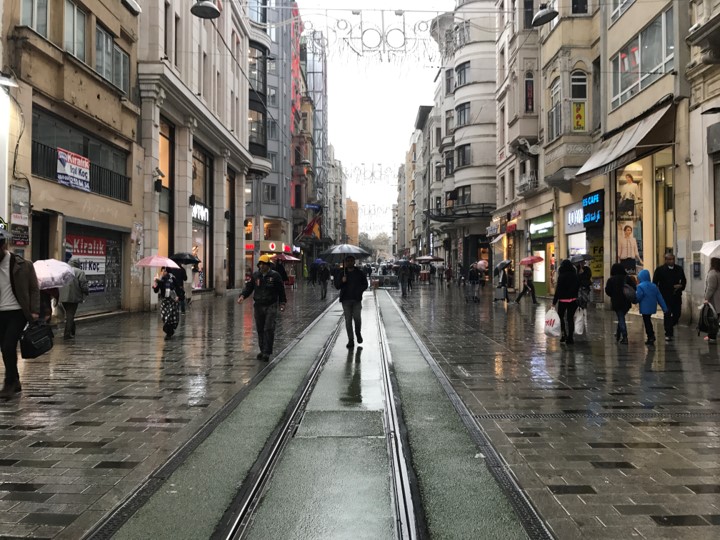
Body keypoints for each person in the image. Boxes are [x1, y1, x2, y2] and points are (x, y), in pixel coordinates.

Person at [0, 230, 40, 397]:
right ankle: (15, 380)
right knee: (5, 348)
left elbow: (34, 288)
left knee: (8, 346)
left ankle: (9, 382)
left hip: (17, 312)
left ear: (3, 246)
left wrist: (35, 310)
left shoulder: (23, 264)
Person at [238, 254, 287, 360]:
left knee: (268, 328)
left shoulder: (275, 276)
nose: (262, 266)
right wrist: (242, 296)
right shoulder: (255, 276)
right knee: (260, 329)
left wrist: (282, 303)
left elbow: (281, 290)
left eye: (264, 264)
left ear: (268, 265)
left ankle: (267, 352)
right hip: (258, 305)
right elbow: (249, 288)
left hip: (271, 305)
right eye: (260, 264)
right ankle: (262, 349)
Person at [334, 255, 368, 349]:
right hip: (346, 300)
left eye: (351, 261)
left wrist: (359, 291)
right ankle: (351, 340)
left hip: (356, 299)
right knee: (348, 321)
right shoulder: (342, 273)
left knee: (357, 318)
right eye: (347, 261)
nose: (349, 262)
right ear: (345, 262)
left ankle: (358, 333)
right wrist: (342, 281)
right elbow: (337, 286)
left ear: (354, 262)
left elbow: (365, 284)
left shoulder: (359, 273)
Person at [652, 253, 686, 341]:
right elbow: (655, 283)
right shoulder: (660, 270)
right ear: (666, 260)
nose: (671, 261)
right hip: (665, 296)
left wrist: (681, 286)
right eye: (669, 259)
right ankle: (668, 333)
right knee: (667, 313)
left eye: (673, 259)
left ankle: (670, 325)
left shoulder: (679, 269)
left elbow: (683, 280)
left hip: (676, 296)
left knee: (677, 314)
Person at [635, 269, 668, 345]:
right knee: (648, 320)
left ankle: (651, 336)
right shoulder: (654, 286)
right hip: (652, 307)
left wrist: (634, 300)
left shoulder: (640, 286)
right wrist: (664, 308)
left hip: (644, 307)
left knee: (647, 322)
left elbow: (639, 297)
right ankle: (651, 335)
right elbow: (660, 297)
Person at [605, 263, 635, 344]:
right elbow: (634, 288)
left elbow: (608, 291)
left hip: (616, 302)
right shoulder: (627, 278)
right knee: (621, 317)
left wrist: (613, 295)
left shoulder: (611, 280)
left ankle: (624, 336)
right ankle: (618, 334)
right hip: (626, 302)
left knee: (621, 318)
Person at [552, 259, 580, 344]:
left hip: (562, 301)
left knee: (561, 318)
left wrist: (554, 302)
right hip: (572, 300)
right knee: (570, 318)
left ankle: (563, 335)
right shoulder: (575, 276)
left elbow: (558, 290)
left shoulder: (561, 276)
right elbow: (577, 287)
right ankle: (570, 337)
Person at [59, 258, 89, 339]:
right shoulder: (79, 272)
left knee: (69, 314)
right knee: (70, 314)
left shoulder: (63, 271)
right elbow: (83, 284)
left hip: (62, 296)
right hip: (73, 297)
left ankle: (72, 330)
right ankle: (67, 334)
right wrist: (86, 292)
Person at [153, 267, 183, 340]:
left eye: (164, 271)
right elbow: (156, 290)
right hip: (165, 301)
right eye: (162, 271)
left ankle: (169, 332)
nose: (163, 272)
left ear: (168, 272)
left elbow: (178, 288)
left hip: (172, 301)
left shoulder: (172, 278)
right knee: (165, 316)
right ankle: (169, 331)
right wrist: (155, 285)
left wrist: (179, 297)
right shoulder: (161, 279)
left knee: (169, 317)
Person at [703, 257, 720, 343]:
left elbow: (711, 288)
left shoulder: (713, 273)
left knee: (712, 319)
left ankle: (712, 336)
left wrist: (706, 298)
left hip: (715, 300)